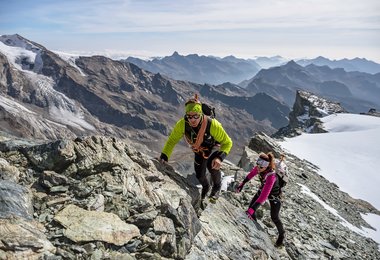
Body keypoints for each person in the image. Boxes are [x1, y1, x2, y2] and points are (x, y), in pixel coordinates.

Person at [159, 95, 233, 204]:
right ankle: (206, 186)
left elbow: (227, 142)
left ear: (201, 114)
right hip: (199, 150)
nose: (192, 120)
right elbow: (172, 140)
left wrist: (219, 158)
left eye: (196, 116)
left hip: (213, 148)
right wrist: (165, 155)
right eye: (189, 116)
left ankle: (217, 186)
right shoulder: (182, 124)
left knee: (212, 166)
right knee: (199, 175)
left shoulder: (213, 125)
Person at [236, 152, 286, 247]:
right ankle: (254, 228)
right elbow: (251, 174)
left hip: (274, 197)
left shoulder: (272, 176)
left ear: (267, 166)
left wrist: (252, 209)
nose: (258, 168)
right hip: (262, 190)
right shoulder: (260, 167)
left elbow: (264, 196)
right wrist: (242, 183)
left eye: (261, 166)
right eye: (258, 165)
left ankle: (282, 235)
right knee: (251, 209)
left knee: (274, 217)